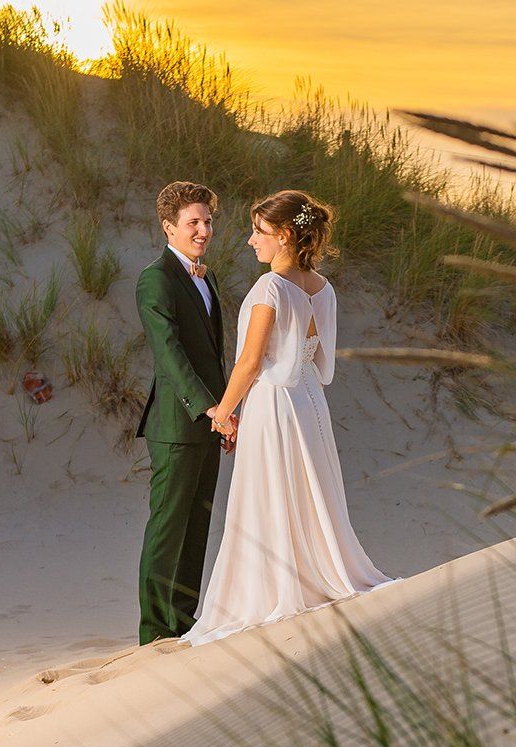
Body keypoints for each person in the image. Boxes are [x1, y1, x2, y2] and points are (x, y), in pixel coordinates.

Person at [182, 190, 393, 646]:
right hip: (310, 400)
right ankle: (312, 577)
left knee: (271, 491)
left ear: (282, 235)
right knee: (306, 489)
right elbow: (321, 365)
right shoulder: (322, 287)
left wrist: (223, 410)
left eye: (257, 231)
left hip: (274, 404)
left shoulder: (271, 287)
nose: (249, 240)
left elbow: (251, 363)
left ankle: (277, 589)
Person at [133, 181, 232, 645]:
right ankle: (154, 633)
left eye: (207, 221)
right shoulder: (156, 279)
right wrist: (209, 406)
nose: (203, 230)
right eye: (193, 222)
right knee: (167, 530)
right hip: (177, 425)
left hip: (211, 423)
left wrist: (226, 411)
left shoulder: (204, 276)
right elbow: (169, 354)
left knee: (197, 529)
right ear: (169, 226)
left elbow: (214, 355)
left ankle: (183, 624)